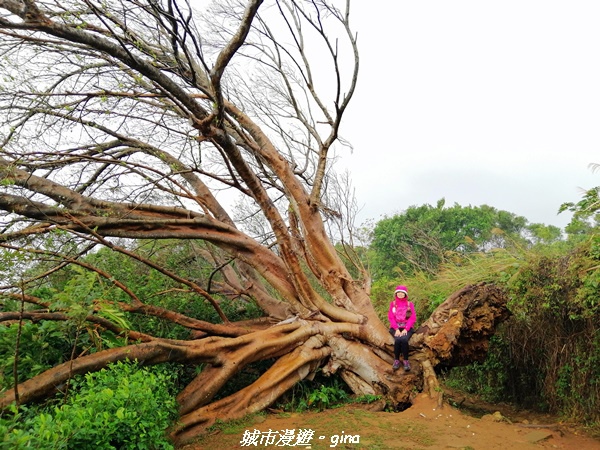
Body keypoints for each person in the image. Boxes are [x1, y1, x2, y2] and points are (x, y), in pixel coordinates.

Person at [388, 285, 416, 371]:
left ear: (405, 294)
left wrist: (406, 329)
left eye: (402, 293)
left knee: (404, 339)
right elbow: (391, 317)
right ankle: (396, 359)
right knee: (397, 339)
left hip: (407, 327)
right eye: (398, 292)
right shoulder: (393, 304)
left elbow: (413, 317)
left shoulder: (409, 304)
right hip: (395, 327)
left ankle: (406, 360)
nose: (400, 294)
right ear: (396, 294)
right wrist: (396, 329)